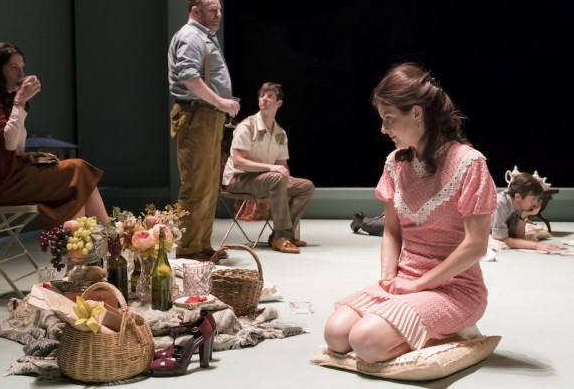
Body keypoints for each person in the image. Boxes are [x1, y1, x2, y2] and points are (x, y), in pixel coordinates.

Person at [323, 62, 497, 363]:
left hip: (454, 288)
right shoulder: (395, 163)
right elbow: (392, 231)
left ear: (416, 113)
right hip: (405, 280)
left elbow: (476, 245)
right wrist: (388, 276)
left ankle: (457, 331)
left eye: (389, 119)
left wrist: (418, 285)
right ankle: (411, 330)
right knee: (336, 335)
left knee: (366, 342)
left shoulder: (469, 163)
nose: (383, 129)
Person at [0, 42, 110, 229]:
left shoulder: (5, 101)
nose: (21, 74)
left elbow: (12, 148)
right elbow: (8, 142)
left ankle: (85, 251)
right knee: (78, 169)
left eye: (22, 68)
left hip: (8, 176)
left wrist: (25, 156)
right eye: (14, 68)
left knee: (76, 187)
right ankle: (111, 241)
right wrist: (20, 102)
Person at [168, 0, 240, 264]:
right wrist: (220, 101)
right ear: (196, 12)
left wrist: (219, 106)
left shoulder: (204, 37)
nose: (218, 15)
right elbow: (188, 77)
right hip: (196, 115)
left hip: (208, 116)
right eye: (212, 10)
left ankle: (201, 244)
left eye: (219, 9)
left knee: (208, 184)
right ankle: (187, 247)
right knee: (195, 184)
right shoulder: (190, 36)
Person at [222, 82, 315, 253]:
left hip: (264, 179)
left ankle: (285, 233)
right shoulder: (247, 126)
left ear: (279, 103)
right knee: (276, 177)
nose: (264, 99)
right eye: (262, 95)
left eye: (270, 96)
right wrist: (272, 169)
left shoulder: (280, 133)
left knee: (306, 186)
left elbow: (282, 166)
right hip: (237, 179)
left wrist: (287, 178)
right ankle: (280, 237)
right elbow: (238, 162)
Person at [491, 172, 564, 252]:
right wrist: (536, 245)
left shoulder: (519, 205)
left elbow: (518, 236)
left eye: (537, 200)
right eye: (533, 199)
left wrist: (523, 216)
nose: (536, 204)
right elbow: (502, 238)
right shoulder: (499, 204)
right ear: (518, 196)